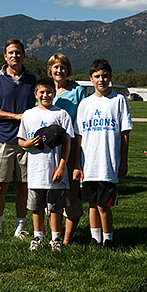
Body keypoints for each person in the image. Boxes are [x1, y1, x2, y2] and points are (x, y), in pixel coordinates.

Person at [0, 39, 39, 238]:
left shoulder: (33, 79)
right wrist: (15, 116)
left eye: (18, 52)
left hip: (26, 142)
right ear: (5, 57)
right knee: (0, 185)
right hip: (2, 139)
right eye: (10, 53)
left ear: (24, 54)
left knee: (23, 186)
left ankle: (20, 228)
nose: (15, 55)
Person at [73, 58, 133, 249]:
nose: (101, 80)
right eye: (97, 76)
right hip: (89, 163)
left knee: (104, 205)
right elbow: (79, 136)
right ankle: (95, 238)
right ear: (91, 79)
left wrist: (123, 161)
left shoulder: (118, 101)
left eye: (104, 76)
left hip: (108, 164)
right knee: (91, 204)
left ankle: (108, 239)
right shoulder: (85, 104)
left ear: (110, 77)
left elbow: (125, 133)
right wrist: (77, 164)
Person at [17, 77, 75, 251]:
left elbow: (67, 144)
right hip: (36, 172)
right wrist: (28, 144)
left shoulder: (61, 114)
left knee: (55, 207)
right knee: (37, 207)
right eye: (41, 92)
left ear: (54, 93)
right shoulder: (28, 115)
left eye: (49, 92)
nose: (45, 95)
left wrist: (62, 166)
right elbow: (21, 140)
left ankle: (56, 239)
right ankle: (38, 237)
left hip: (55, 170)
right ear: (35, 94)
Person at [47, 53, 87, 245]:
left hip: (70, 150)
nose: (59, 70)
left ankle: (66, 239)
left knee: (71, 194)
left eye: (62, 67)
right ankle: (52, 234)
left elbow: (82, 122)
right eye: (55, 67)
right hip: (48, 152)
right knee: (51, 193)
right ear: (50, 70)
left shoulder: (77, 91)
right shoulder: (45, 90)